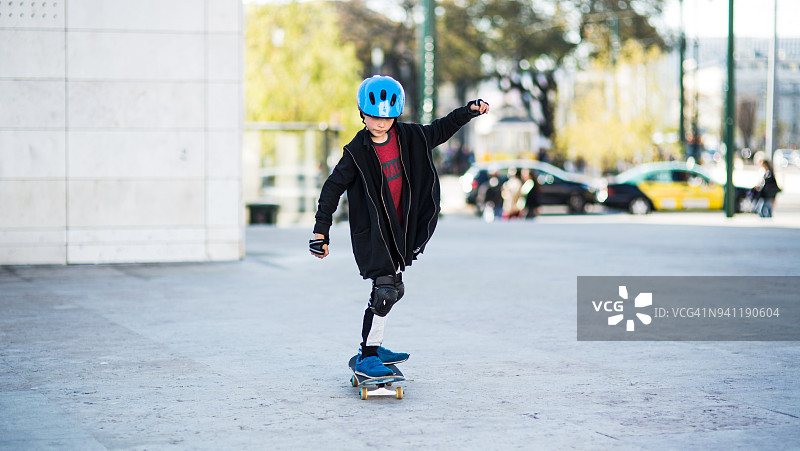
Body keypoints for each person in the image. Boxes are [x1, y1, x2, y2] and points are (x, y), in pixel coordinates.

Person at [309, 75, 489, 377]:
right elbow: (331, 189)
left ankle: (373, 346)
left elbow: (441, 129)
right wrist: (320, 231)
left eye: (387, 117)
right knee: (384, 291)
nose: (381, 123)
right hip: (374, 233)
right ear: (362, 114)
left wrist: (468, 111)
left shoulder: (410, 137)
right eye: (374, 117)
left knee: (393, 288)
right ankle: (368, 354)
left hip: (401, 230)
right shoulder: (356, 152)